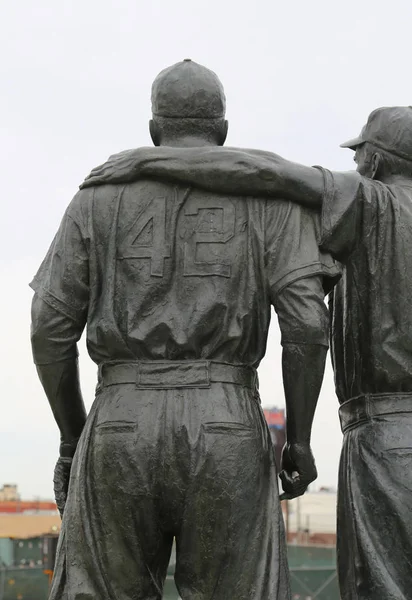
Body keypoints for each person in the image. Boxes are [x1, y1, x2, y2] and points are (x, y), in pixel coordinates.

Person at [83, 105, 412, 600]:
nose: (354, 167)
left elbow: (260, 171)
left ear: (374, 162)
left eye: (358, 158)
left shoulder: (372, 202)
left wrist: (146, 163)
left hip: (396, 447)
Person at [30, 59, 339, 600]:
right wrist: (301, 437)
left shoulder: (96, 196)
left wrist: (73, 437)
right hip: (227, 423)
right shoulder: (270, 202)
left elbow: (48, 329)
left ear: (154, 131)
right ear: (223, 132)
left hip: (120, 420)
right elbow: (308, 327)